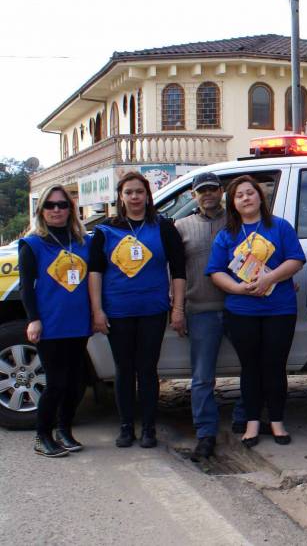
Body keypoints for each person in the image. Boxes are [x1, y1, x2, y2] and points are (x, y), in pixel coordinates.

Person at [206, 176, 305, 448]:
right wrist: (238, 289)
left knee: (275, 366)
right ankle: (251, 423)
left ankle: (276, 421)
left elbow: (296, 259)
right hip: (241, 310)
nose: (246, 198)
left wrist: (268, 280)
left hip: (279, 309)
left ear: (260, 197)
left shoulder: (280, 227)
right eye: (239, 195)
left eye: (250, 193)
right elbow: (215, 271)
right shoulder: (226, 235)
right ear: (233, 203)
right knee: (250, 368)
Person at [89, 172, 187, 449]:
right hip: (117, 310)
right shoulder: (105, 230)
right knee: (123, 369)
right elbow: (95, 272)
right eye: (129, 192)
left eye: (139, 192)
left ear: (147, 196)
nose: (134, 197)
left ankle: (149, 428)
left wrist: (177, 308)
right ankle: (125, 426)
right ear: (120, 197)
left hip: (152, 310)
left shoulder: (163, 227)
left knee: (147, 369)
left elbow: (179, 271)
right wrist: (97, 310)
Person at [174, 173, 246, 459]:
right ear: (193, 195)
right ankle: (205, 433)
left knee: (250, 368)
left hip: (240, 307)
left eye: (213, 190)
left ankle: (245, 418)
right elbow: (176, 270)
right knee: (202, 377)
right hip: (201, 309)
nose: (208, 195)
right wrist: (177, 307)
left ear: (221, 192)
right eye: (201, 191)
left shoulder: (238, 221)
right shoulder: (181, 227)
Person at [20, 185, 92, 457]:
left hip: (79, 322)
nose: (56, 210)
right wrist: (33, 320)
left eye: (62, 205)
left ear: (71, 209)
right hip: (50, 323)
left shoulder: (82, 241)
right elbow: (27, 286)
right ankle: (43, 435)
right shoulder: (33, 244)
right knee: (56, 382)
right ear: (42, 211)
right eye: (50, 206)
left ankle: (64, 429)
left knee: (75, 383)